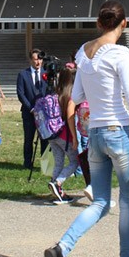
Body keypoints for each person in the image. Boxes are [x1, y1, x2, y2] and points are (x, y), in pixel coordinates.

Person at [44, 1, 129, 257]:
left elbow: (76, 96)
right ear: (124, 23)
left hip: (96, 135)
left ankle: (62, 248)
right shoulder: (120, 54)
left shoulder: (82, 53)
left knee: (99, 202)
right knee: (128, 202)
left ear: (99, 23)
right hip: (120, 132)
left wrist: (76, 131)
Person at [48, 67, 83, 204]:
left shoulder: (54, 95)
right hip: (64, 135)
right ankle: (57, 182)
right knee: (75, 162)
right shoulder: (70, 96)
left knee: (59, 162)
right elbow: (69, 117)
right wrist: (74, 137)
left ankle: (56, 191)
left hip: (52, 135)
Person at [17, 49, 47, 168]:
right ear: (30, 60)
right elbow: (21, 93)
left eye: (40, 59)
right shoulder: (23, 74)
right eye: (35, 59)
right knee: (28, 138)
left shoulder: (47, 74)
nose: (38, 62)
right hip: (29, 113)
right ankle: (27, 163)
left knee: (45, 140)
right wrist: (31, 108)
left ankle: (45, 164)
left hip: (44, 113)